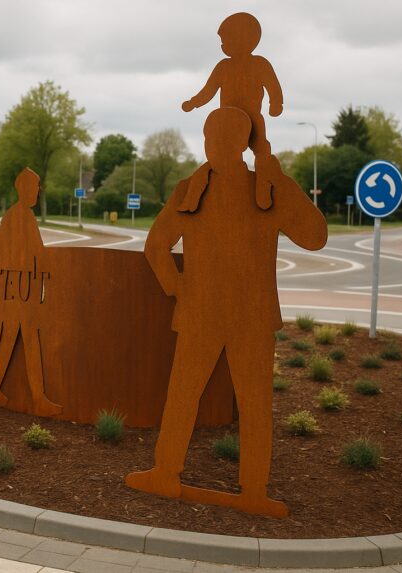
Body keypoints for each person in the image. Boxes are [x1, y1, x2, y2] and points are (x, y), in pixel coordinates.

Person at [126, 107, 326, 517]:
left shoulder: (266, 189)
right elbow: (156, 246)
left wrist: (279, 176)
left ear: (239, 145)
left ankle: (254, 489)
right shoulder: (191, 188)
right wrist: (179, 290)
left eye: (220, 140)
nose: (213, 148)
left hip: (249, 318)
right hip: (202, 314)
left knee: (252, 404)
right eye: (208, 140)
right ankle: (166, 471)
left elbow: (315, 236)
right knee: (183, 396)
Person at [181, 12, 283, 209]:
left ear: (243, 39)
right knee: (259, 150)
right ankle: (256, 189)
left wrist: (276, 104)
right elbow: (208, 92)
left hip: (235, 120)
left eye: (225, 40)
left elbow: (208, 92)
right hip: (231, 119)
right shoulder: (233, 66)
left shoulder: (249, 65)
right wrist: (193, 102)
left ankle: (261, 186)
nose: (222, 45)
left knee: (236, 152)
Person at [0, 168, 62, 416]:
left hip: (20, 291)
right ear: (24, 189)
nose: (38, 191)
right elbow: (30, 253)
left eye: (39, 187)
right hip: (20, 292)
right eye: (35, 187)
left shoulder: (18, 216)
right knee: (27, 342)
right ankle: (37, 397)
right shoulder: (19, 217)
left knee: (13, 340)